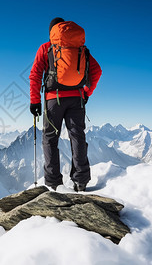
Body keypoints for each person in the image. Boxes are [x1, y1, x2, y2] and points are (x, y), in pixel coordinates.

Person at [29, 17, 102, 191]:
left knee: (50, 139)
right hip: (77, 99)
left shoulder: (47, 48)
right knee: (77, 136)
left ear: (52, 32)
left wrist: (35, 101)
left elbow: (35, 74)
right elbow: (97, 71)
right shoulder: (81, 50)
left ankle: (54, 183)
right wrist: (86, 93)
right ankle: (81, 181)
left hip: (53, 100)